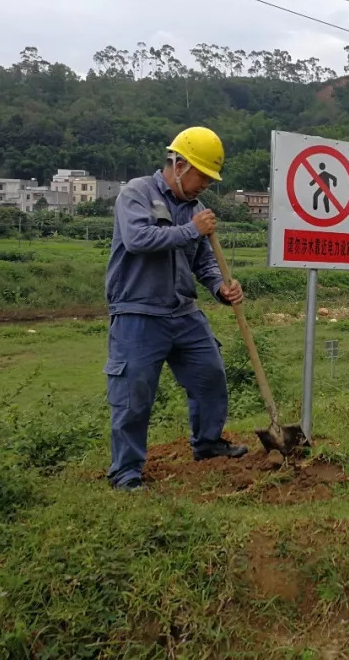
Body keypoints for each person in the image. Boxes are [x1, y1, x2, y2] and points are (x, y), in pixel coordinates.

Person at [103, 126, 248, 491]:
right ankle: (127, 472)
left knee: (210, 376)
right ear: (179, 165)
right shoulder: (136, 193)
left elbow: (204, 263)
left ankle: (208, 444)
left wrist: (220, 287)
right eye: (202, 175)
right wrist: (191, 230)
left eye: (210, 179)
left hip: (183, 313)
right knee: (134, 395)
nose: (205, 185)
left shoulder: (196, 210)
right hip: (138, 312)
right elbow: (138, 240)